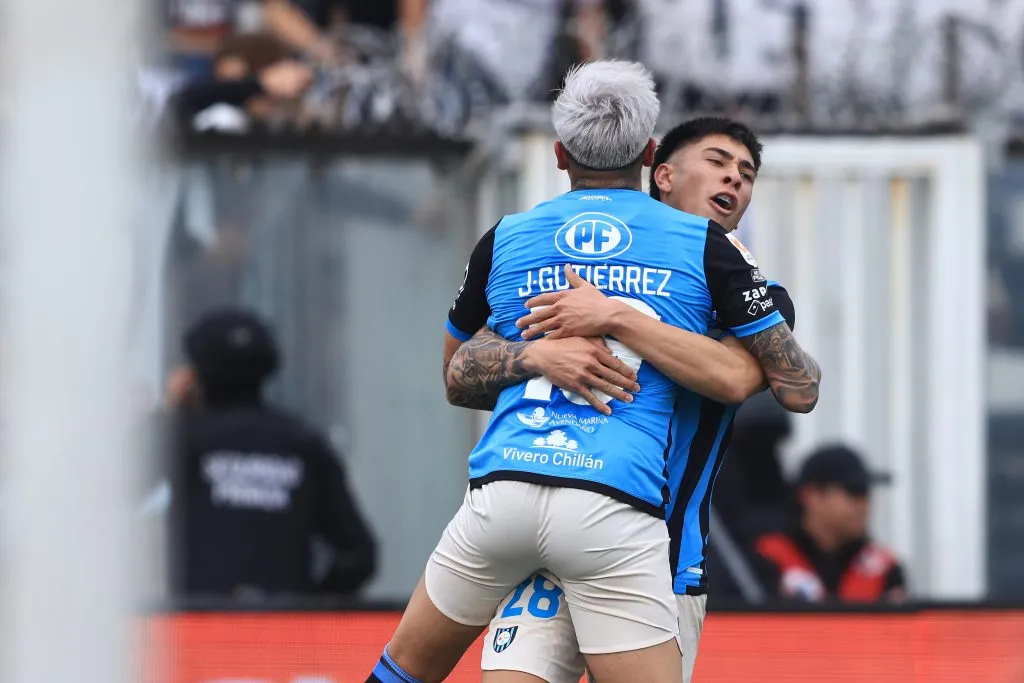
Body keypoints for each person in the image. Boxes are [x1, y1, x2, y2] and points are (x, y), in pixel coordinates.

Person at [368, 61, 803, 683]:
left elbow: (456, 370)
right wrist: (546, 352)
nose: (733, 177)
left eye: (746, 172)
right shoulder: (710, 254)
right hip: (622, 512)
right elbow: (783, 383)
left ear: (559, 153)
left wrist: (591, 327)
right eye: (717, 161)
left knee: (406, 668)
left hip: (507, 488)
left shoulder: (511, 237)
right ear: (655, 161)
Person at [151, 307, 377, 597]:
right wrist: (307, 607)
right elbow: (359, 556)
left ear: (193, 374)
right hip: (280, 624)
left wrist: (168, 413)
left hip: (199, 622)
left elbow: (109, 491)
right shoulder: (303, 444)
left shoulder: (179, 437)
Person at [753, 444, 906, 603]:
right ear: (811, 495)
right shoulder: (768, 558)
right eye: (854, 491)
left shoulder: (885, 569)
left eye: (866, 493)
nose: (864, 504)